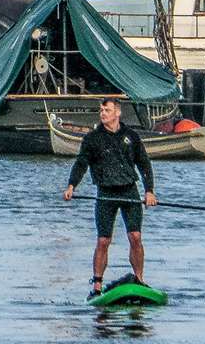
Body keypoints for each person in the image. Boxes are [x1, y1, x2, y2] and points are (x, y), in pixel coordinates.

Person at [63, 96, 157, 296]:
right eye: (101, 110)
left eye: (106, 110)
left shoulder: (131, 136)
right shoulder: (92, 139)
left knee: (135, 236)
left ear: (117, 112)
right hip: (105, 192)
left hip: (129, 190)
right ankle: (97, 285)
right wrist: (72, 185)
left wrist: (149, 191)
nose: (102, 113)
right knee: (103, 240)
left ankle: (139, 279)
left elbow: (144, 164)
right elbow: (81, 163)